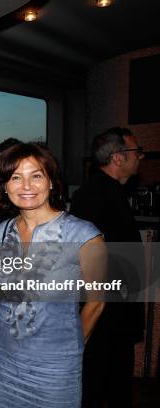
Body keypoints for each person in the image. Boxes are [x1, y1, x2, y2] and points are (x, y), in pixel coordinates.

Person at [0, 143, 106, 408]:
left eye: (36, 175)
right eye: (15, 177)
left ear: (51, 182)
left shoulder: (84, 235)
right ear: (5, 187)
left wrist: (71, 350)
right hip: (3, 358)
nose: (26, 185)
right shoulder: (2, 231)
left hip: (55, 367)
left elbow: (97, 301)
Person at [70, 127, 146, 408]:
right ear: (118, 157)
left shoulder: (110, 191)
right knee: (98, 385)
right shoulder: (94, 196)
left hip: (116, 312)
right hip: (105, 314)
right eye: (136, 151)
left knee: (113, 384)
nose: (140, 157)